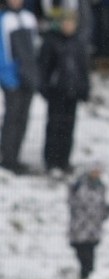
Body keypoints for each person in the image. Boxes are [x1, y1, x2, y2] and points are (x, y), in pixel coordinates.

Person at [38, 9, 89, 178]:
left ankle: (64, 160)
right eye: (65, 22)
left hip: (72, 92)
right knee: (54, 126)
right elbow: (44, 67)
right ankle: (51, 161)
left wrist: (84, 88)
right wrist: (45, 88)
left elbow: (83, 68)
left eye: (71, 22)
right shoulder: (51, 41)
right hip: (56, 91)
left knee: (69, 127)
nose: (68, 25)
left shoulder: (79, 42)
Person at [0, 0, 39, 175]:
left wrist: (35, 75)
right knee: (12, 118)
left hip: (28, 79)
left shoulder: (29, 18)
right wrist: (8, 79)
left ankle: (16, 155)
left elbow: (35, 48)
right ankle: (8, 158)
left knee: (23, 118)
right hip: (12, 79)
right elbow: (3, 53)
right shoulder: (4, 20)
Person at [68, 163, 109, 279]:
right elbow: (76, 203)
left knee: (89, 255)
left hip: (93, 229)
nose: (97, 173)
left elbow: (100, 209)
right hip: (80, 227)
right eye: (94, 170)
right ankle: (86, 277)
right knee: (83, 254)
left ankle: (87, 277)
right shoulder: (79, 185)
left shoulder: (100, 187)